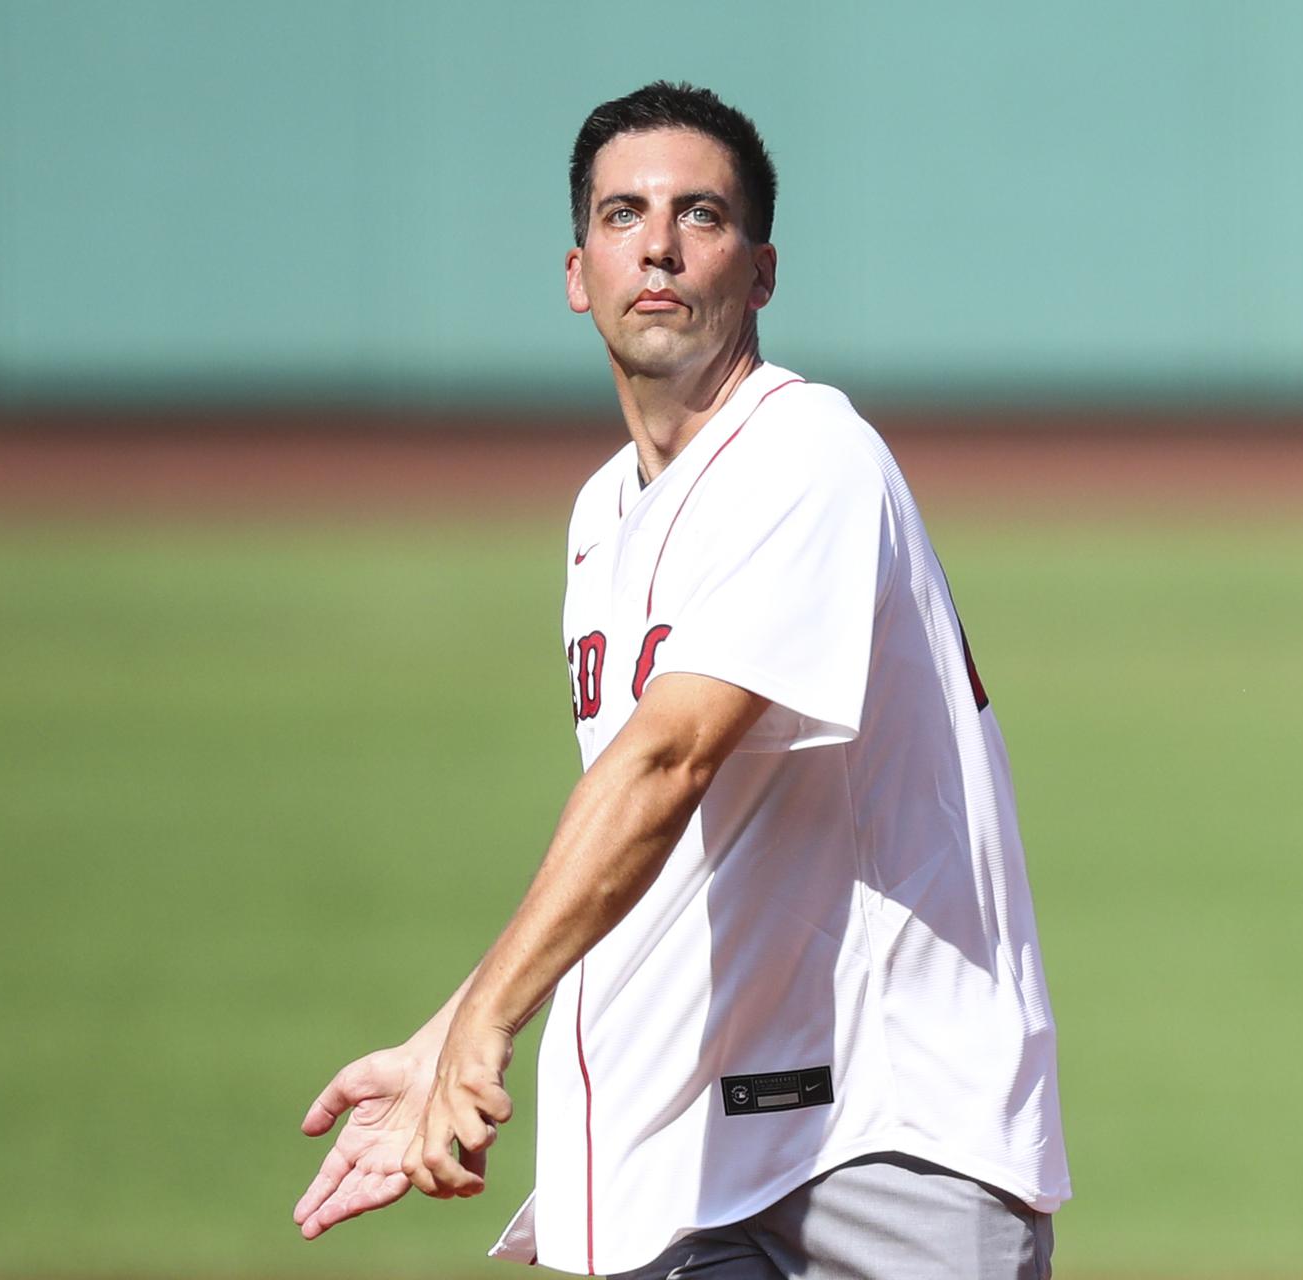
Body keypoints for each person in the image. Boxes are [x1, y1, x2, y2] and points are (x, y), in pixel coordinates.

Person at [292, 81, 1069, 1279]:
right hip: (692, 1157)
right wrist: (449, 1025)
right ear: (575, 271)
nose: (656, 243)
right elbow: (658, 841)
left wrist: (492, 1021)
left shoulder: (808, 452)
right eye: (622, 215)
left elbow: (668, 757)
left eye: (698, 214)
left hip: (880, 1144)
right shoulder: (603, 515)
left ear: (760, 272)